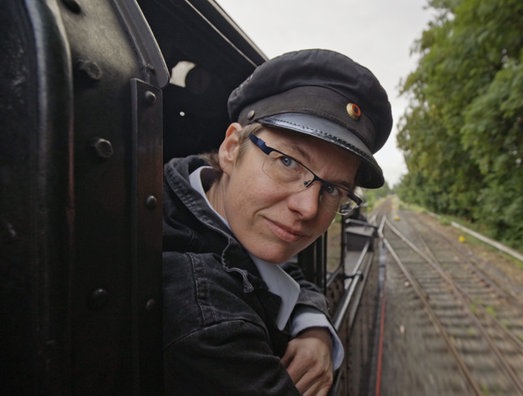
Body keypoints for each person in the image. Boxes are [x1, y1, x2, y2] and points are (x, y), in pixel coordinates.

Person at [162, 49, 392, 395]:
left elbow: (285, 269)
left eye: (331, 188)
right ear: (231, 147)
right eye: (287, 162)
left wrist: (314, 325)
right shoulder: (210, 322)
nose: (308, 208)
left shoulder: (220, 212)